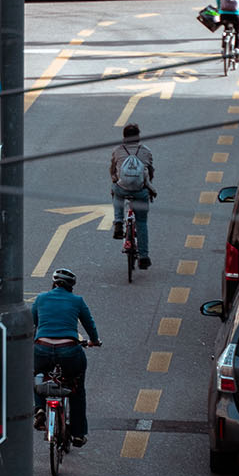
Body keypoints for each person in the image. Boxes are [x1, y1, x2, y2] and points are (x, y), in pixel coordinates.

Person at [31, 268, 100, 448]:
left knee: (36, 375)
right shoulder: (77, 301)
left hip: (42, 348)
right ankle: (78, 434)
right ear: (71, 287)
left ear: (53, 283)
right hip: (69, 350)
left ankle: (39, 409)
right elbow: (89, 324)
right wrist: (94, 341)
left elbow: (32, 323)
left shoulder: (41, 298)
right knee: (77, 388)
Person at [109, 124, 156, 268]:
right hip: (140, 191)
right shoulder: (146, 151)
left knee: (116, 191)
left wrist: (116, 181)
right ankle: (143, 257)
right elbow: (151, 172)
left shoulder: (118, 150)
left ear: (124, 137)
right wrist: (148, 187)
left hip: (122, 189)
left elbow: (112, 171)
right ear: (138, 136)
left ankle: (118, 222)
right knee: (141, 222)